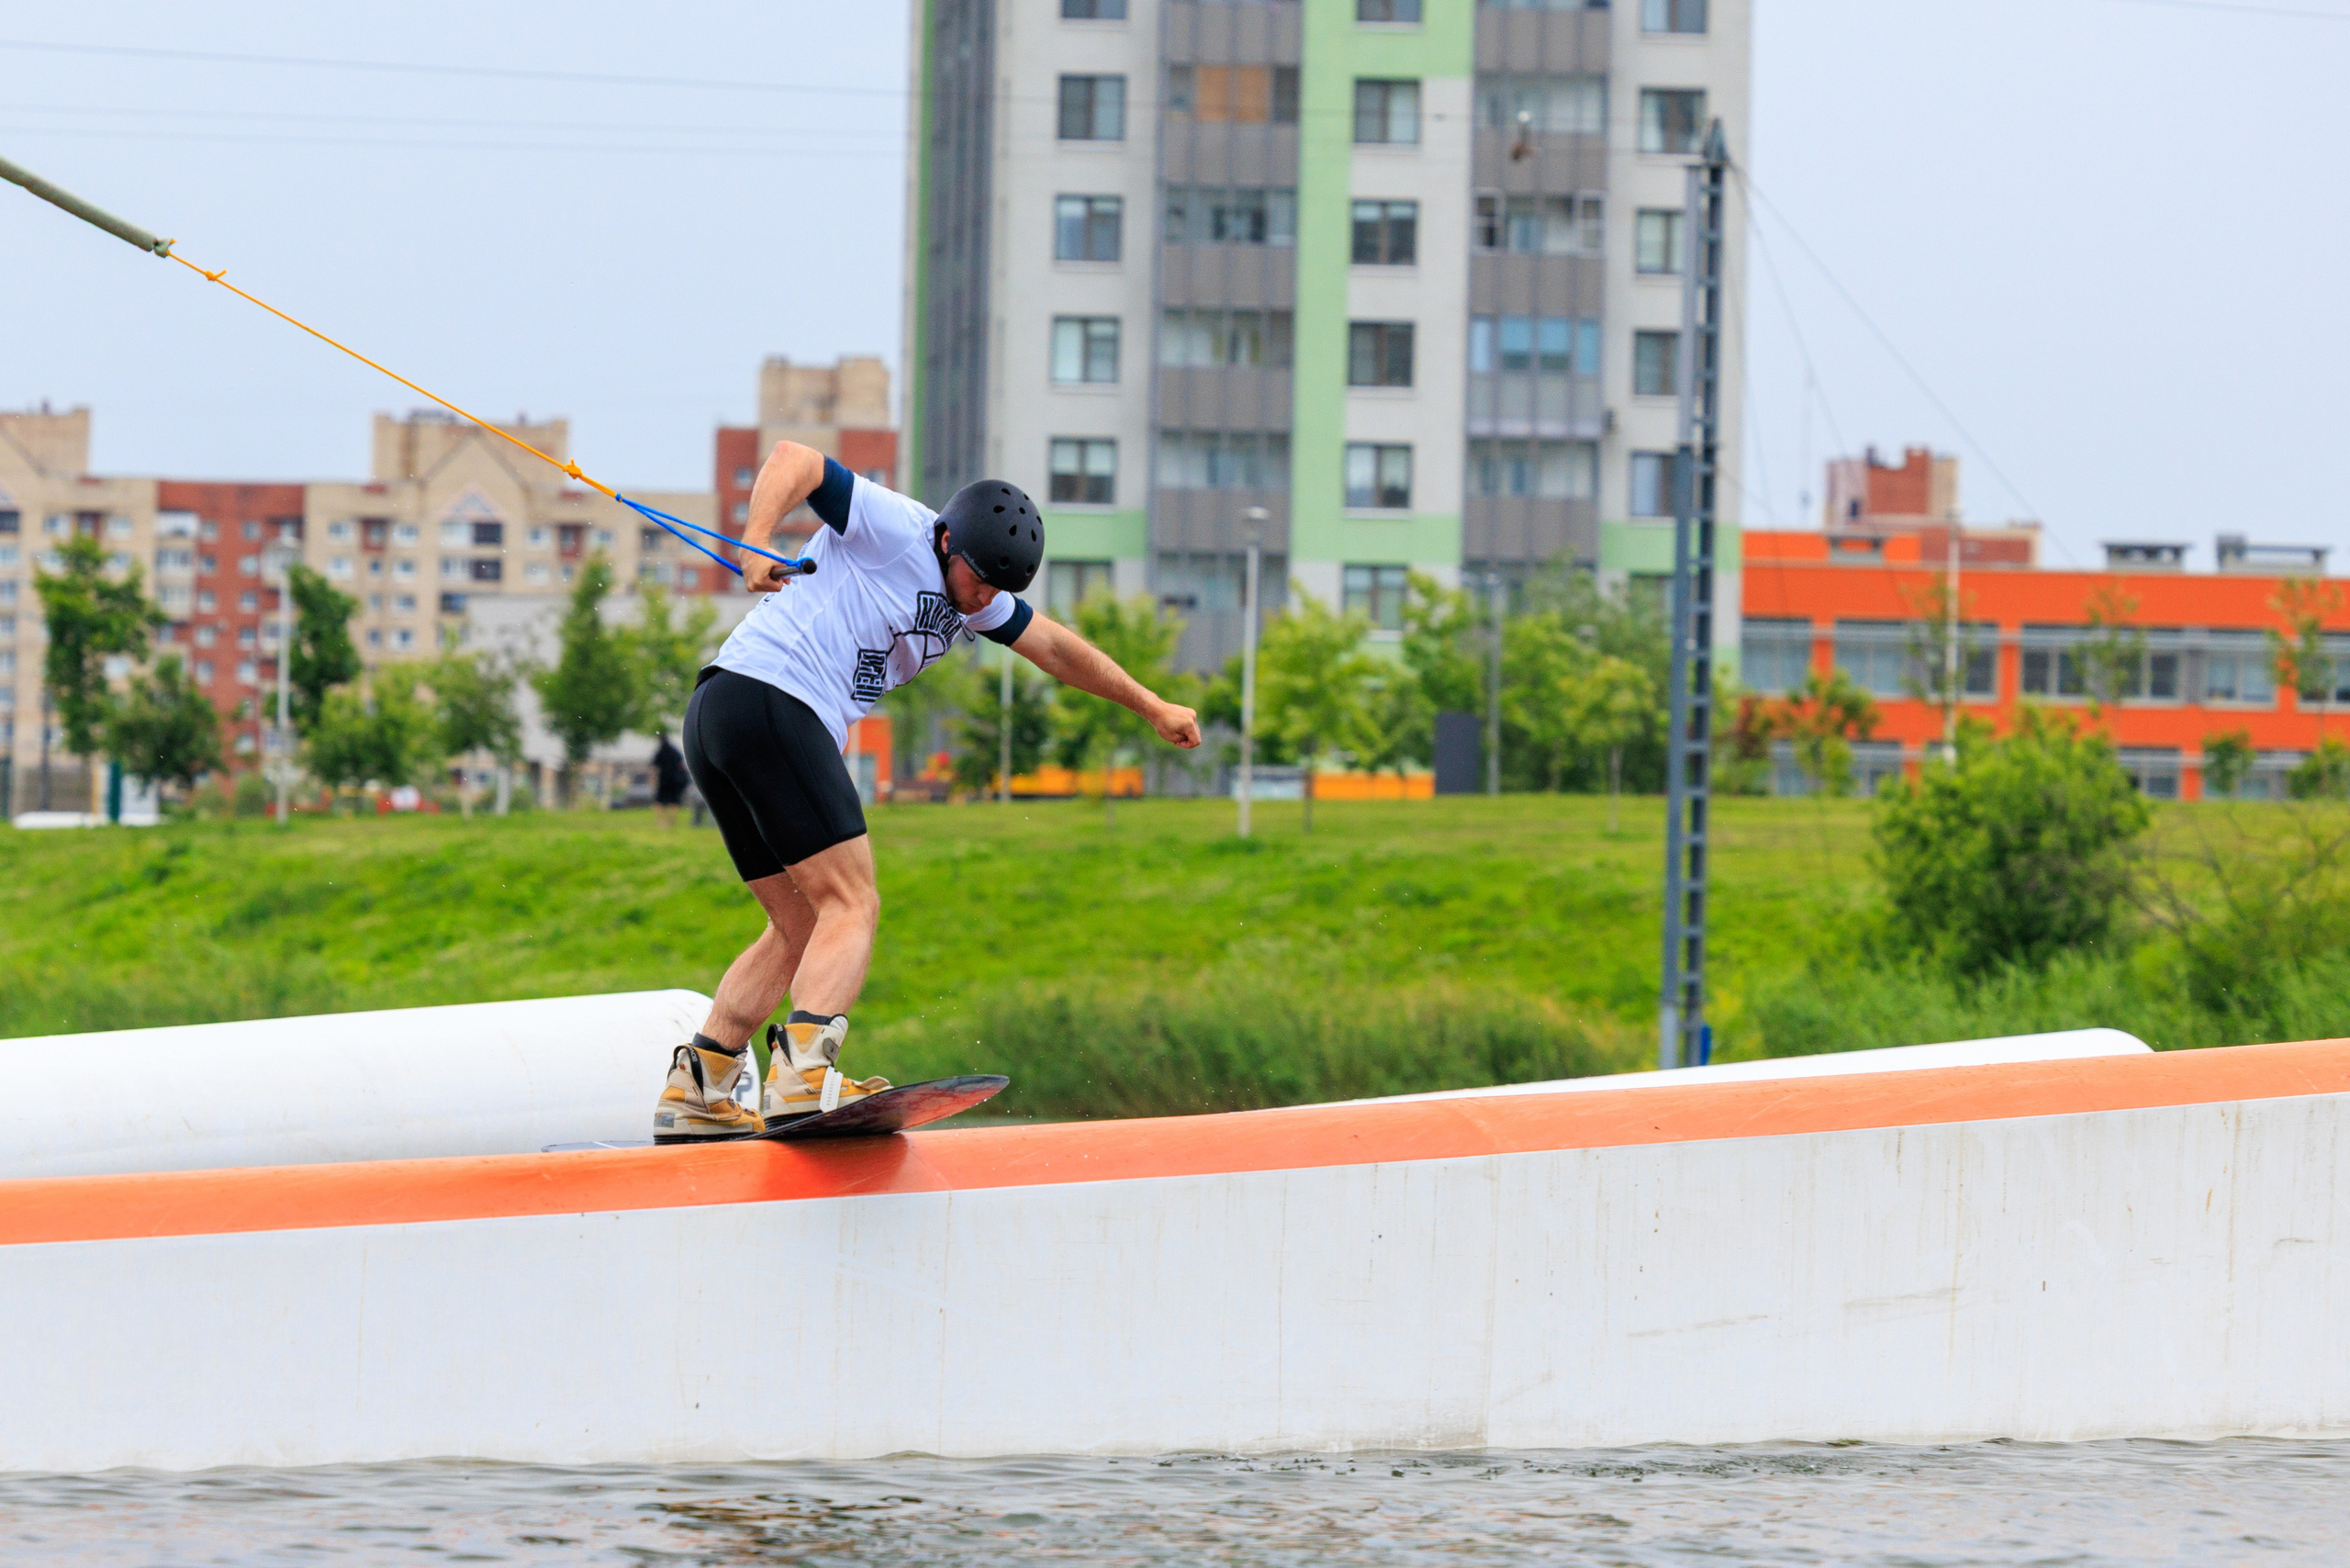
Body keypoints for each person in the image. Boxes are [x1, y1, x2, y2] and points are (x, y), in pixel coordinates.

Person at [653, 442, 1201, 1142]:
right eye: (979, 578)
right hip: (772, 697)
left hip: (721, 715)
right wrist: (756, 540)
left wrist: (1151, 705)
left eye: (1000, 589)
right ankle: (803, 1079)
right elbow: (798, 459)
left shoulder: (980, 598)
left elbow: (1059, 650)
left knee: (801, 923)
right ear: (948, 540)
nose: (983, 598)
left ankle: (704, 1083)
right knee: (853, 902)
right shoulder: (894, 526)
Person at [649, 730, 689, 828]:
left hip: (663, 780)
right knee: (674, 801)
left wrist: (652, 781)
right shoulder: (675, 751)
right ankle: (672, 822)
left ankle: (661, 822)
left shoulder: (660, 752)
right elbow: (682, 766)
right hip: (675, 781)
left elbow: (654, 768)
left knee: (659, 802)